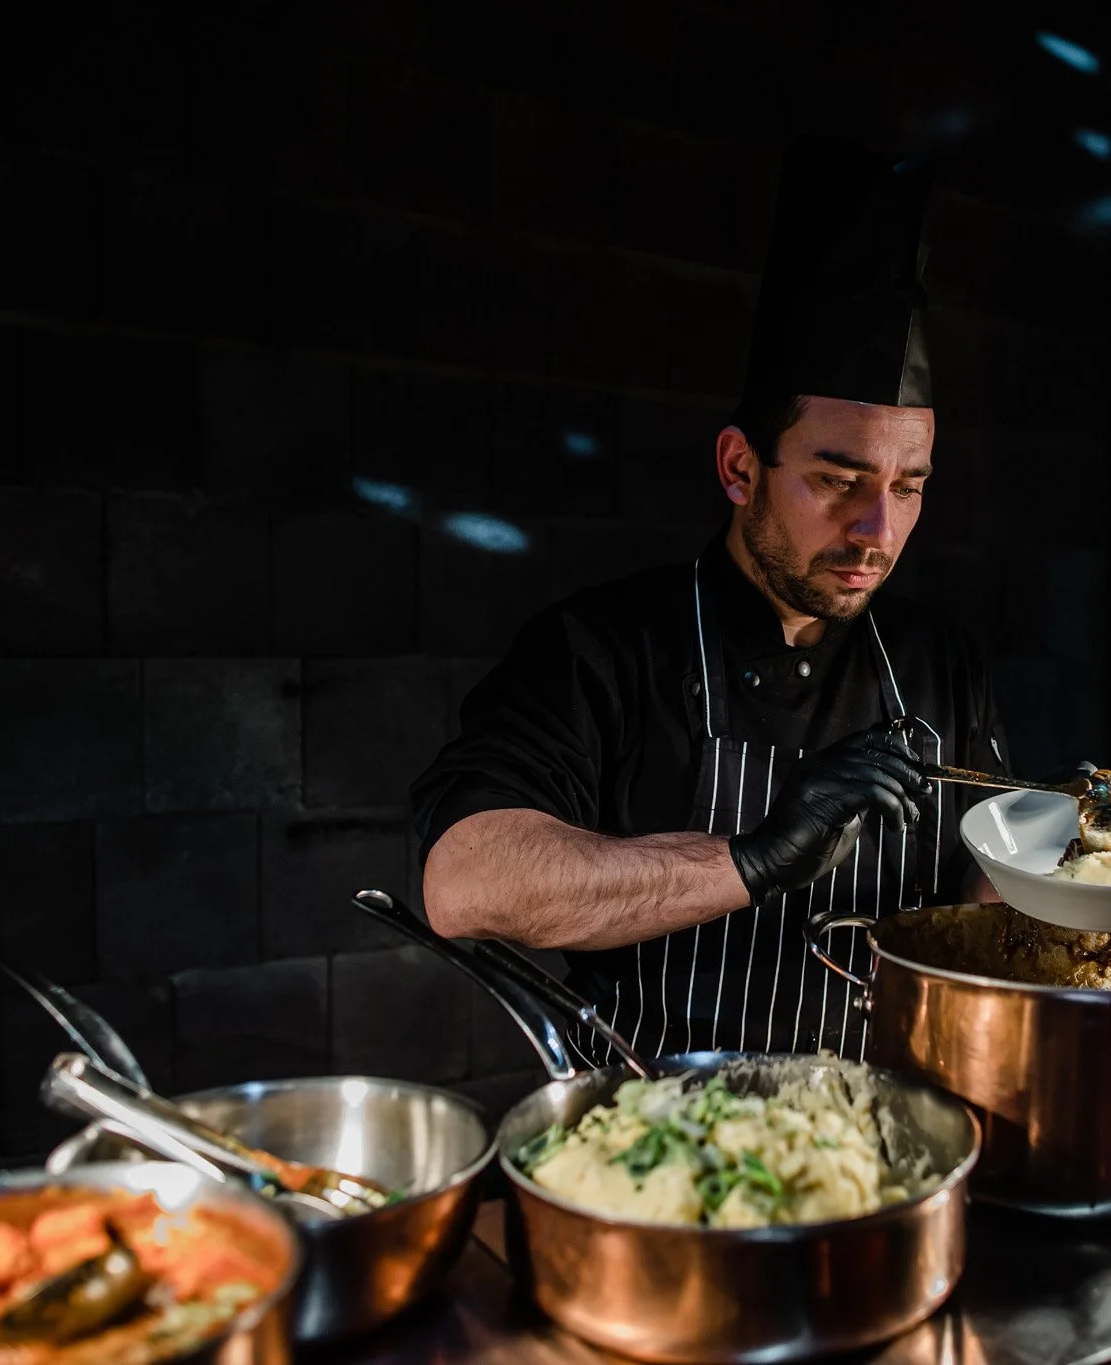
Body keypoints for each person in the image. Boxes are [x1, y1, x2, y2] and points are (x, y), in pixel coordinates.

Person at [410, 136, 1010, 1061]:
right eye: (839, 480)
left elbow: (986, 885)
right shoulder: (602, 649)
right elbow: (465, 878)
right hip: (651, 1145)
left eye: (910, 486)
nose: (878, 532)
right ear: (740, 467)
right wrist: (753, 858)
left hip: (888, 1137)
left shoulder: (939, 661)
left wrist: (1074, 884)